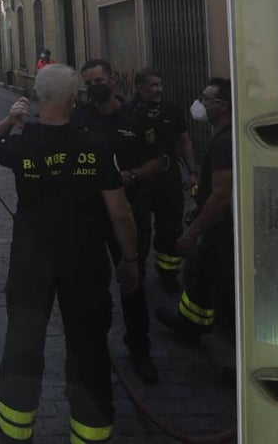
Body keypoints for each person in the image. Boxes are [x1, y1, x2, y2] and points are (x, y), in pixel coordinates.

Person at [0, 65, 139, 444]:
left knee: (23, 341)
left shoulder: (23, 142)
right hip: (84, 261)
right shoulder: (95, 145)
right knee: (88, 347)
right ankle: (90, 432)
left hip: (31, 261)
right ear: (75, 99)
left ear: (36, 96)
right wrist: (130, 259)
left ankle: (15, 430)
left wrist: (9, 119)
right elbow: (120, 211)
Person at [72, 59, 164, 385]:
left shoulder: (137, 118)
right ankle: (94, 346)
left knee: (133, 280)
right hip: (88, 215)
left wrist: (133, 175)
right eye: (89, 82)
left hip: (130, 212)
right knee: (90, 283)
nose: (95, 85)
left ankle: (139, 349)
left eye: (100, 79)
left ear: (113, 80)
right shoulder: (79, 117)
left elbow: (158, 161)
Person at [157, 78, 235, 348]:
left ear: (222, 106)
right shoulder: (221, 137)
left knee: (222, 289)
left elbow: (222, 194)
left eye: (205, 99)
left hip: (222, 231)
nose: (199, 103)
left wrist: (194, 231)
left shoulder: (225, 143)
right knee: (197, 274)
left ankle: (232, 359)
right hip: (215, 225)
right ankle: (190, 323)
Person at [130, 68, 198, 293]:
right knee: (139, 228)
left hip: (168, 178)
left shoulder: (172, 111)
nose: (158, 89)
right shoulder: (128, 111)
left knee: (170, 226)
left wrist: (192, 171)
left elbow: (184, 140)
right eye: (152, 85)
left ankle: (168, 273)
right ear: (139, 87)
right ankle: (135, 269)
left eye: (160, 84)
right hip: (139, 179)